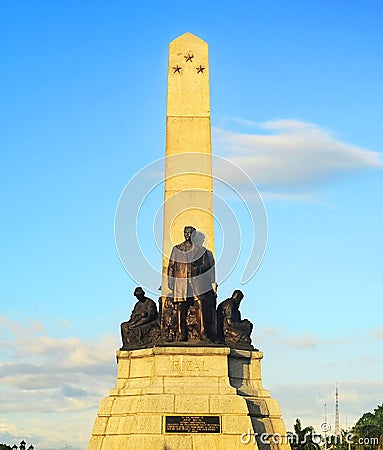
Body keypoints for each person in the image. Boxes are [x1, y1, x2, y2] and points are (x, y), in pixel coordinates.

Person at [167, 226, 216, 341]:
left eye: (190, 233)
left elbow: (207, 265)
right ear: (184, 234)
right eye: (186, 232)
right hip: (181, 281)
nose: (188, 234)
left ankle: (203, 332)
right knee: (181, 307)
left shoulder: (202, 250)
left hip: (197, 282)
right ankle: (181, 333)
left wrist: (198, 269)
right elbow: (171, 266)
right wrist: (170, 281)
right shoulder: (176, 249)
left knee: (200, 304)